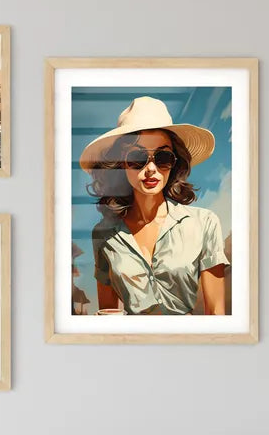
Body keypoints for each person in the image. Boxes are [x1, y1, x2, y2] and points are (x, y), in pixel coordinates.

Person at [81, 96, 227, 316]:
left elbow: (217, 315)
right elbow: (108, 316)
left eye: (163, 157)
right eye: (138, 157)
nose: (151, 169)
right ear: (120, 165)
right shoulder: (103, 234)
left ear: (174, 162)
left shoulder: (204, 223)